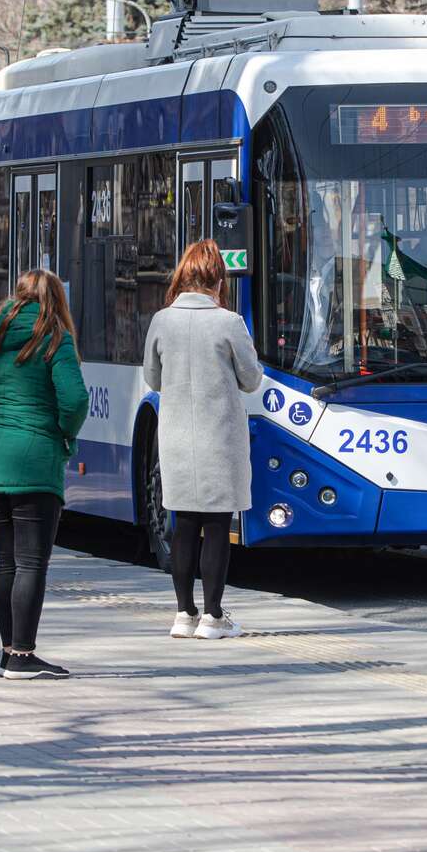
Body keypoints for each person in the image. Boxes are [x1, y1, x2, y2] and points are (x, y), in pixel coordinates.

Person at [144, 241, 265, 640]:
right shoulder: (229, 323)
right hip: (220, 440)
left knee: (183, 524)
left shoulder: (162, 320)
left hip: (177, 439)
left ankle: (183, 613)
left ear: (184, 275)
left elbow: (152, 378)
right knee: (216, 526)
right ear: (217, 279)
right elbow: (251, 380)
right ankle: (213, 616)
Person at [0, 269, 89, 680]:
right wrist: (61, 433)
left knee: (6, 563)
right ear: (57, 299)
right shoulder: (56, 337)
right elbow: (75, 399)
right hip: (35, 463)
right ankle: (23, 655)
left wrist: (7, 419)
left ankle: (7, 652)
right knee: (31, 564)